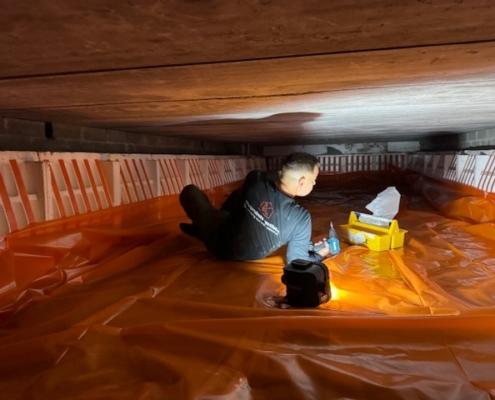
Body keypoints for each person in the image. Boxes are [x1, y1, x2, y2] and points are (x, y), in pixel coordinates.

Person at [179, 152, 330, 264]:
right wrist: (320, 254)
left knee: (190, 191)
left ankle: (203, 228)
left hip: (219, 239)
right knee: (228, 211)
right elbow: (297, 261)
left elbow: (237, 201)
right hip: (245, 256)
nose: (314, 184)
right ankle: (204, 229)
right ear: (302, 181)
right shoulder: (300, 219)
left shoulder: (255, 179)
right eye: (314, 180)